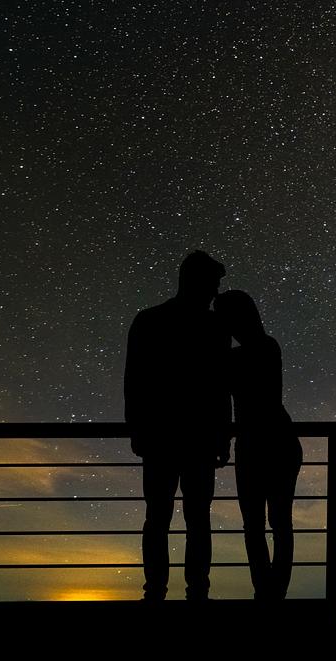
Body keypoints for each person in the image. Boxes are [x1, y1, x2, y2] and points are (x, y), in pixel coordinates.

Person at [124, 250, 232, 601]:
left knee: (159, 518)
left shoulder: (150, 320)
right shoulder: (214, 328)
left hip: (161, 436)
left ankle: (155, 592)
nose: (216, 291)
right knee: (195, 520)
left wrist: (137, 429)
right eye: (213, 283)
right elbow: (219, 387)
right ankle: (195, 593)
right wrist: (223, 436)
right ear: (197, 281)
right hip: (194, 437)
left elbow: (135, 381)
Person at [213, 289, 302, 600]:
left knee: (261, 524)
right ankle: (272, 592)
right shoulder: (268, 347)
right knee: (276, 523)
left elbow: (223, 393)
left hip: (260, 445)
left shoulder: (239, 356)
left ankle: (268, 592)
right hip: (276, 441)